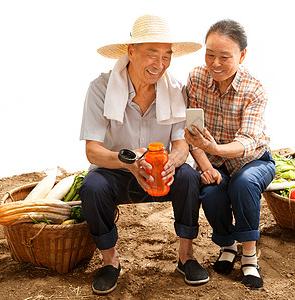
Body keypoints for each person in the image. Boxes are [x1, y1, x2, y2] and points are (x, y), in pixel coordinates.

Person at [78, 14, 208, 295]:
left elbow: (181, 142)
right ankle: (110, 261)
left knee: (187, 176)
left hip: (160, 171)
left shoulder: (175, 90)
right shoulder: (100, 88)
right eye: (152, 54)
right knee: (91, 186)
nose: (159, 64)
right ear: (131, 52)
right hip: (117, 169)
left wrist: (174, 161)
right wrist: (129, 162)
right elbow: (93, 151)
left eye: (166, 56)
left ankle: (186, 256)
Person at [184, 19, 276, 290]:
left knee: (243, 183)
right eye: (209, 54)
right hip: (214, 161)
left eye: (224, 56)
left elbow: (247, 141)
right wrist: (206, 165)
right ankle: (227, 244)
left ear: (242, 55)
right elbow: (193, 135)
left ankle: (249, 255)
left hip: (254, 160)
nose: (215, 63)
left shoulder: (254, 89)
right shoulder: (197, 78)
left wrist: (214, 149)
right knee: (211, 191)